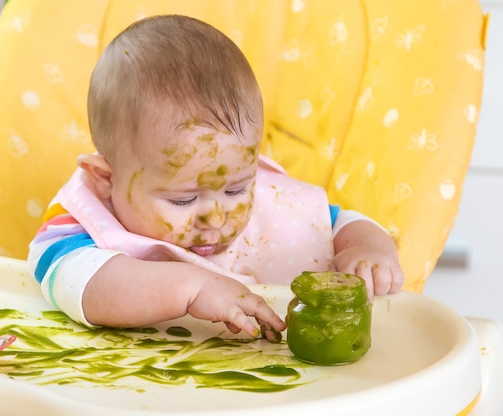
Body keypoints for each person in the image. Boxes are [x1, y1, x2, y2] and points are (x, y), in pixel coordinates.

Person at [28, 14, 404, 341]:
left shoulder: (273, 201)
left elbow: (333, 223)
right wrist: (192, 289)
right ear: (105, 178)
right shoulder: (80, 226)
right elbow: (77, 282)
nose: (217, 217)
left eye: (236, 188)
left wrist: (368, 249)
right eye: (183, 200)